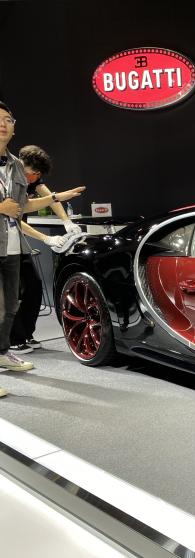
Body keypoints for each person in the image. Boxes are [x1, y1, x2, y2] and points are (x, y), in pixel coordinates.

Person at [0, 100, 85, 397]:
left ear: (14, 127)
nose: (2, 124)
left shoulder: (13, 164)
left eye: (7, 119)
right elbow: (9, 209)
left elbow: (22, 206)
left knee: (9, 306)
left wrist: (59, 202)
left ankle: (5, 350)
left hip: (11, 246)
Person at [9, 145, 85, 354]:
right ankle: (13, 339)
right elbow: (13, 217)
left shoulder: (32, 179)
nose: (33, 179)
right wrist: (46, 238)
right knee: (11, 291)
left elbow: (50, 198)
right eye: (31, 174)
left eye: (37, 175)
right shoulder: (9, 179)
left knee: (34, 286)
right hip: (4, 239)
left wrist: (67, 221)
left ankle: (25, 334)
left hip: (17, 240)